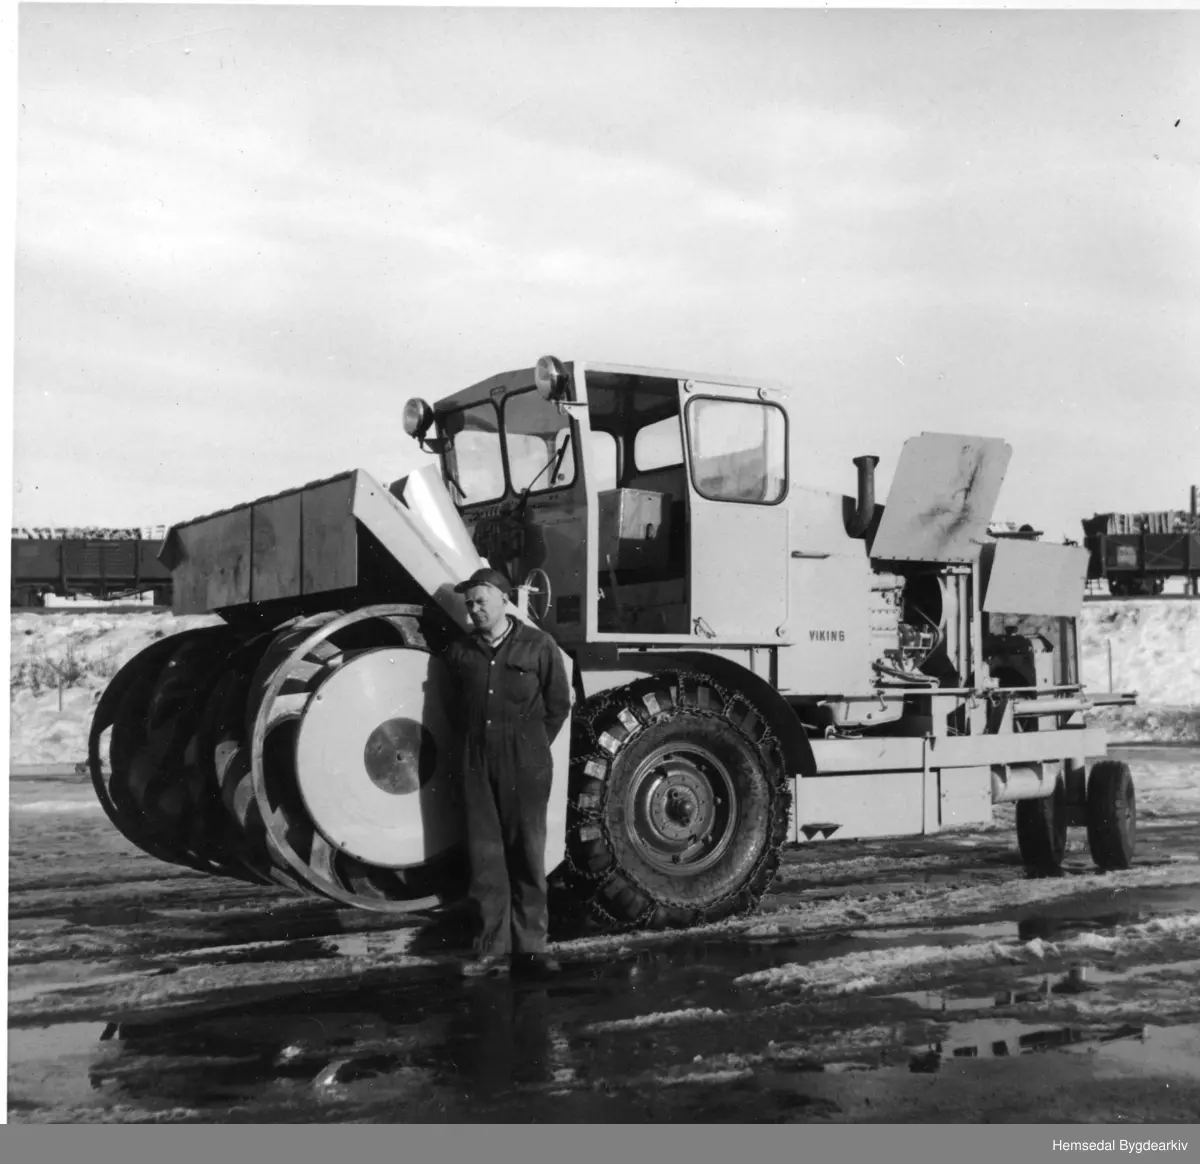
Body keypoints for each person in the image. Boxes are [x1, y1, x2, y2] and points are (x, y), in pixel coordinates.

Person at [444, 567, 572, 979]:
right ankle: (490, 950)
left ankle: (531, 950)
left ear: (503, 600)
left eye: (481, 601)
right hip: (475, 760)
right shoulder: (460, 653)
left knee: (527, 855)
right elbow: (450, 707)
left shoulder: (539, 645)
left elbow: (558, 706)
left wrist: (529, 745)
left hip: (525, 761)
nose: (474, 609)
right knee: (485, 859)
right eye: (469, 605)